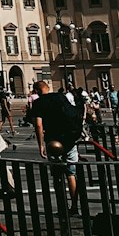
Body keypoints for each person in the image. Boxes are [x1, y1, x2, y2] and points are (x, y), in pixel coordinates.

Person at [32, 80, 84, 214]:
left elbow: (38, 125)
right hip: (69, 139)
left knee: (57, 174)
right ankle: (75, 206)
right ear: (48, 88)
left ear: (37, 91)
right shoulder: (61, 97)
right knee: (71, 173)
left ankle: (62, 207)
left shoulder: (39, 102)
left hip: (53, 141)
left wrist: (40, 145)